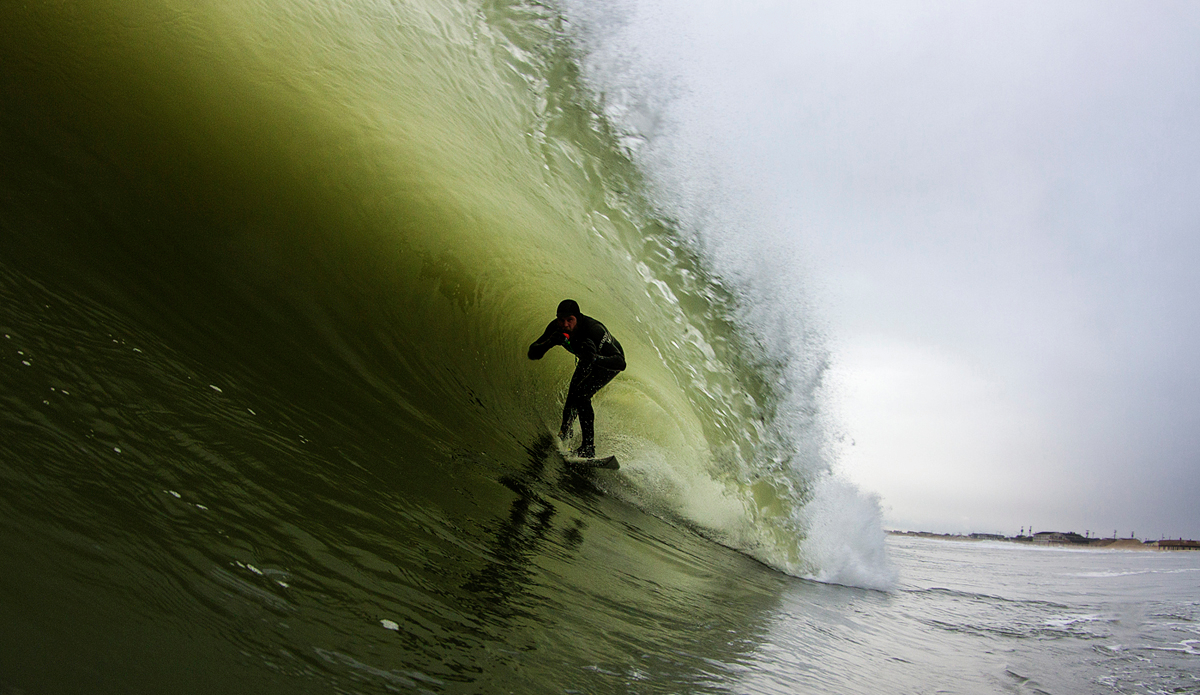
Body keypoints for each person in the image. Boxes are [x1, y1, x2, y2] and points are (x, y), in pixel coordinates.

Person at [528, 299, 626, 458]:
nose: (565, 324)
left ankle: (588, 448)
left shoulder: (594, 330)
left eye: (569, 320)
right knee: (571, 398)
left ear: (577, 319)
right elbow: (532, 353)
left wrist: (595, 359)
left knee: (582, 395)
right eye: (561, 320)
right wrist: (549, 343)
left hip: (607, 362)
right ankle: (564, 436)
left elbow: (621, 362)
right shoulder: (555, 328)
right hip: (587, 359)